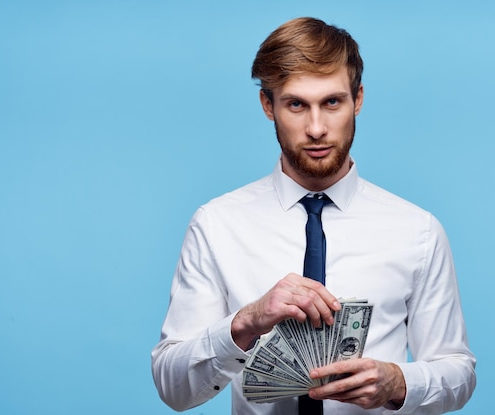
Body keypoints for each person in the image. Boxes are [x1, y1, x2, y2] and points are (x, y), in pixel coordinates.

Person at [151, 17, 476, 415]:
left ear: (358, 99)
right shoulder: (216, 225)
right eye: (296, 104)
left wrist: (398, 382)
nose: (317, 128)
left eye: (332, 102)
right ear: (268, 105)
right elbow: (172, 387)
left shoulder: (418, 231)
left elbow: (458, 371)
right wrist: (245, 322)